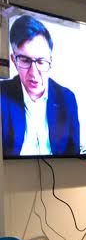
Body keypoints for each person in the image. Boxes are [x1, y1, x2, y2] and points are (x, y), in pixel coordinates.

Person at [1, 14, 80, 157]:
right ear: (14, 60)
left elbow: (74, 156)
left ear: (50, 61)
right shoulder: (2, 95)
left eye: (41, 62)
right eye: (25, 60)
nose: (34, 73)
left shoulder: (67, 99)